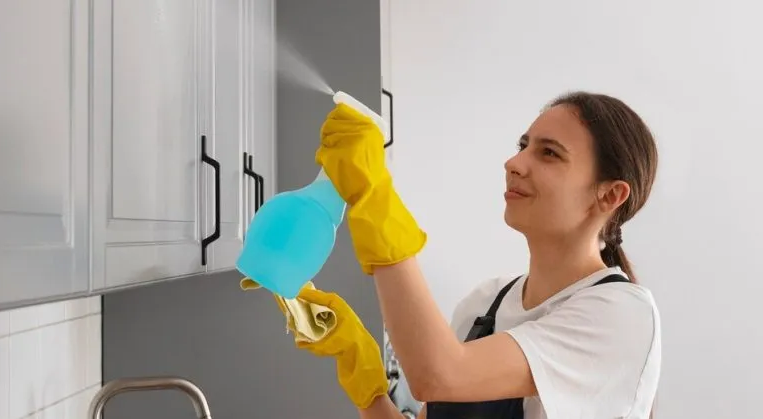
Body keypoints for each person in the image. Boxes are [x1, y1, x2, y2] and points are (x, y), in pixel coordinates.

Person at [284, 91, 662, 418]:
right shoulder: (483, 306)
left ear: (610, 195)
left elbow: (439, 374)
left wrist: (375, 199)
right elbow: (436, 380)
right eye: (523, 145)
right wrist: (356, 362)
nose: (514, 163)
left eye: (549, 153)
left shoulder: (620, 315)